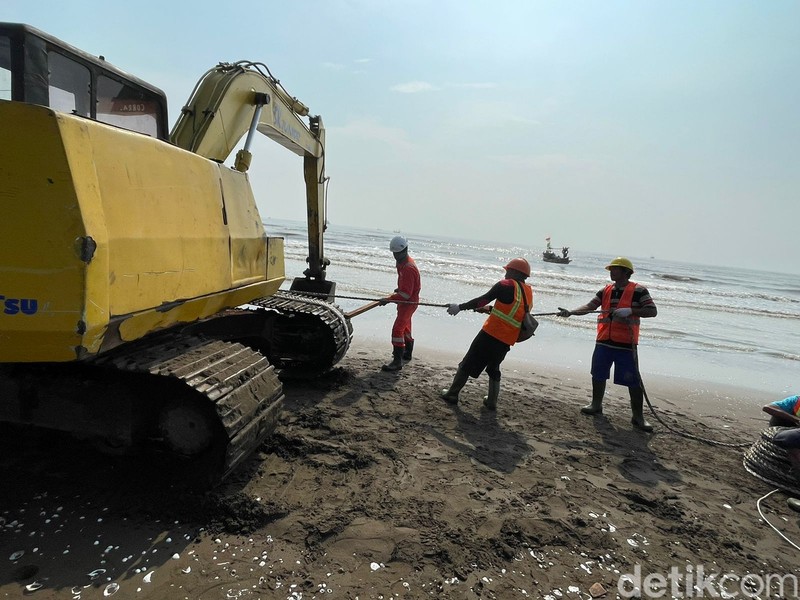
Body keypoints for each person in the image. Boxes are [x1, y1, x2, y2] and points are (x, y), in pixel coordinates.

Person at [557, 257, 658, 431]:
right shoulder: (605, 290)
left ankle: (638, 417)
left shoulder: (639, 291)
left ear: (626, 272)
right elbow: (590, 306)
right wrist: (571, 312)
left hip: (626, 344)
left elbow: (652, 311)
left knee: (633, 381)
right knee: (598, 373)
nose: (611, 272)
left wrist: (630, 311)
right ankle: (596, 405)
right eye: (611, 269)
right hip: (604, 340)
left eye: (615, 269)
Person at [440, 258, 533, 410]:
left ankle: (452, 393)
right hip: (507, 339)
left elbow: (482, 300)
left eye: (508, 270)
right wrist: (489, 310)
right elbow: (512, 313)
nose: (505, 274)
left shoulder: (505, 285)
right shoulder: (527, 292)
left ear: (515, 272)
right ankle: (491, 402)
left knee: (467, 363)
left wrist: (460, 307)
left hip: (491, 334)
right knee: (493, 367)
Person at [380, 235, 421, 372]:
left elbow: (406, 295)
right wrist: (401, 289)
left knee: (397, 330)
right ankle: (407, 353)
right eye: (394, 253)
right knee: (405, 327)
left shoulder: (408, 267)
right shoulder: (401, 262)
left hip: (409, 303)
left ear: (405, 250)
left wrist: (388, 299)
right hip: (406, 302)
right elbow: (406, 288)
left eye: (398, 253)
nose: (396, 256)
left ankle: (397, 361)